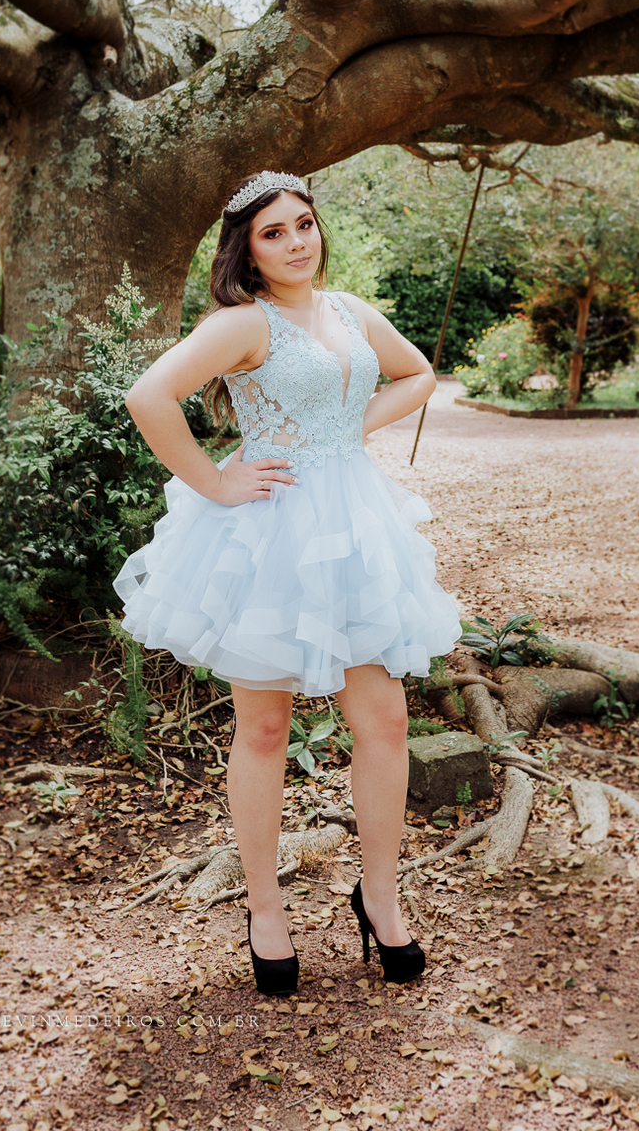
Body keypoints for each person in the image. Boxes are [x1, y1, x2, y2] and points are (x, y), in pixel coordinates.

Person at [113, 171, 463, 994]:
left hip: (353, 528)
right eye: (274, 233)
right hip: (267, 534)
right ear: (248, 249)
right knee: (264, 729)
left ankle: (379, 897)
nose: (296, 242)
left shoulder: (349, 312)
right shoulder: (243, 323)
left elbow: (416, 376)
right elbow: (148, 396)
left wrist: (345, 430)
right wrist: (216, 480)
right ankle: (264, 908)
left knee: (384, 719)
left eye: (303, 224)